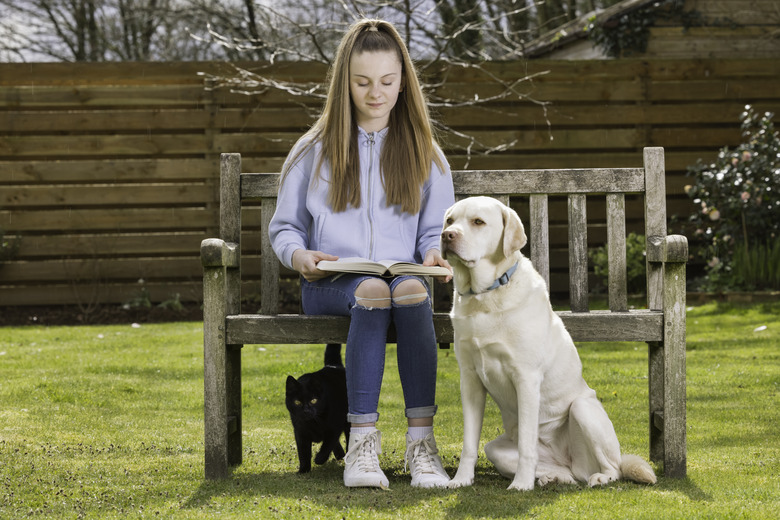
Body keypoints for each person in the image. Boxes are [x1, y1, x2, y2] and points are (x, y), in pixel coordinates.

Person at [269, 18, 455, 489]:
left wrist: (432, 253)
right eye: (363, 82)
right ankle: (362, 446)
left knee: (412, 290)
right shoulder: (313, 150)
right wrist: (299, 258)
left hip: (402, 281)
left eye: (388, 82)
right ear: (343, 83)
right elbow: (285, 228)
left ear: (403, 81)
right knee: (372, 291)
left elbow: (434, 229)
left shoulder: (425, 152)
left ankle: (422, 446)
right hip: (330, 285)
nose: (376, 93)